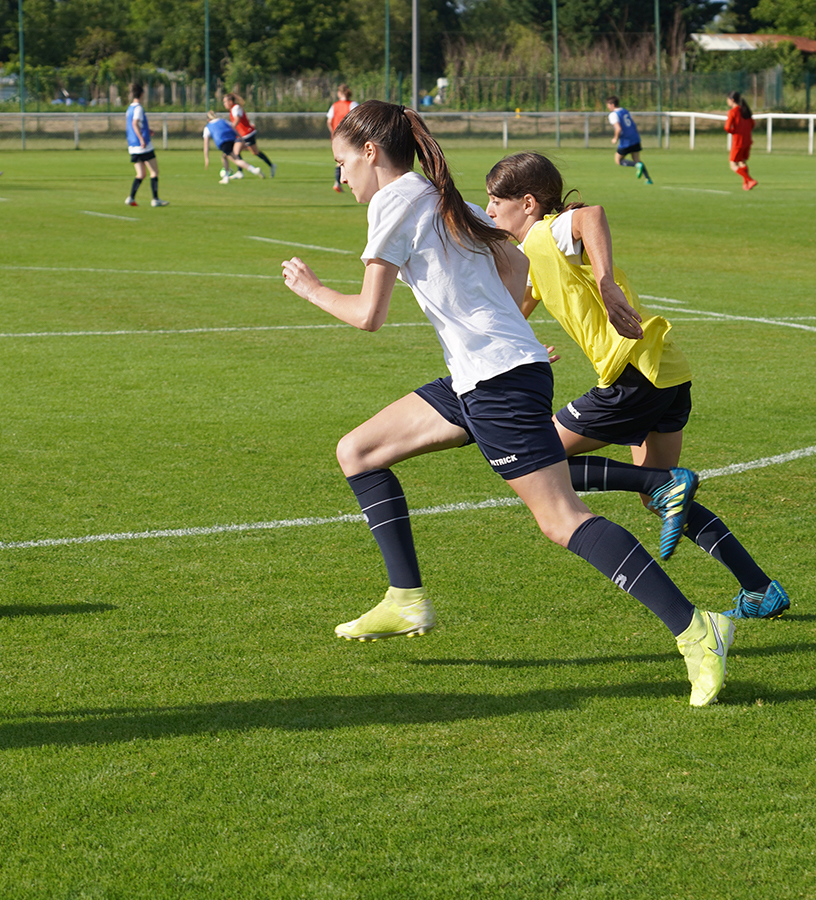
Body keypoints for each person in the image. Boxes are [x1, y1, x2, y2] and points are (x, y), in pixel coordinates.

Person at [280, 100, 734, 707]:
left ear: (369, 153)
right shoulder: (442, 197)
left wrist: (310, 289)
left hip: (495, 382)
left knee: (560, 518)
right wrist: (505, 331)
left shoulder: (394, 202)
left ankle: (697, 629)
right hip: (486, 376)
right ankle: (406, 598)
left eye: (342, 163)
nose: (342, 178)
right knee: (358, 451)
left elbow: (369, 314)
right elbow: (518, 267)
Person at [484, 151, 789, 620]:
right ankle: (759, 588)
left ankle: (662, 484)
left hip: (632, 375)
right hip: (666, 372)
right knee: (658, 500)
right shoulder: (534, 257)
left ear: (527, 203)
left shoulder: (547, 234)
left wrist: (606, 284)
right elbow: (513, 312)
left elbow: (590, 217)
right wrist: (517, 351)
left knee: (537, 461)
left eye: (494, 200)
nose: (488, 210)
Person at [125, 83, 169, 208]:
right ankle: (155, 199)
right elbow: (135, 124)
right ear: (142, 94)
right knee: (154, 172)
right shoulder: (138, 108)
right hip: (142, 145)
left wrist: (147, 130)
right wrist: (142, 139)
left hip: (132, 146)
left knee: (141, 174)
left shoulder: (129, 108)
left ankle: (131, 197)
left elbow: (134, 124)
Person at [223, 92, 276, 177]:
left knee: (254, 152)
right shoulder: (233, 109)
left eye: (225, 102)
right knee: (236, 152)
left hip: (246, 134)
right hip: (241, 134)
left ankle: (271, 165)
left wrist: (232, 128)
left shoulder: (236, 108)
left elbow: (237, 118)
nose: (224, 104)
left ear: (230, 102)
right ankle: (240, 172)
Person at [203, 111, 263, 184]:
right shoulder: (223, 121)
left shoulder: (208, 127)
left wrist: (206, 158)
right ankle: (226, 177)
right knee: (224, 156)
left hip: (223, 142)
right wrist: (241, 139)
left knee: (236, 160)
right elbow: (234, 128)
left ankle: (253, 169)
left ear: (208, 120)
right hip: (233, 139)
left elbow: (206, 144)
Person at [605, 96, 651, 184]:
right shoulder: (624, 110)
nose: (608, 107)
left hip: (626, 141)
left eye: (608, 105)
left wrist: (615, 138)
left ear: (612, 104)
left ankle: (636, 165)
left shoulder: (613, 115)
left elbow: (618, 128)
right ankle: (648, 179)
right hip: (635, 138)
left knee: (618, 160)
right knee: (637, 159)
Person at [325, 85, 358, 192]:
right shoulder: (353, 104)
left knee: (340, 160)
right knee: (352, 159)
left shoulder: (334, 106)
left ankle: (338, 182)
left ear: (339, 93)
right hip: (349, 136)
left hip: (337, 137)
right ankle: (342, 182)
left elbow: (329, 121)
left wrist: (333, 133)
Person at [725, 91, 758, 191]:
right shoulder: (745, 111)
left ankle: (750, 180)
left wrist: (733, 131)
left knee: (733, 164)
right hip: (747, 140)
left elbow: (727, 127)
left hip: (738, 141)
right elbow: (752, 124)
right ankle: (746, 183)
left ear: (732, 100)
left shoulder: (733, 112)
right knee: (742, 162)